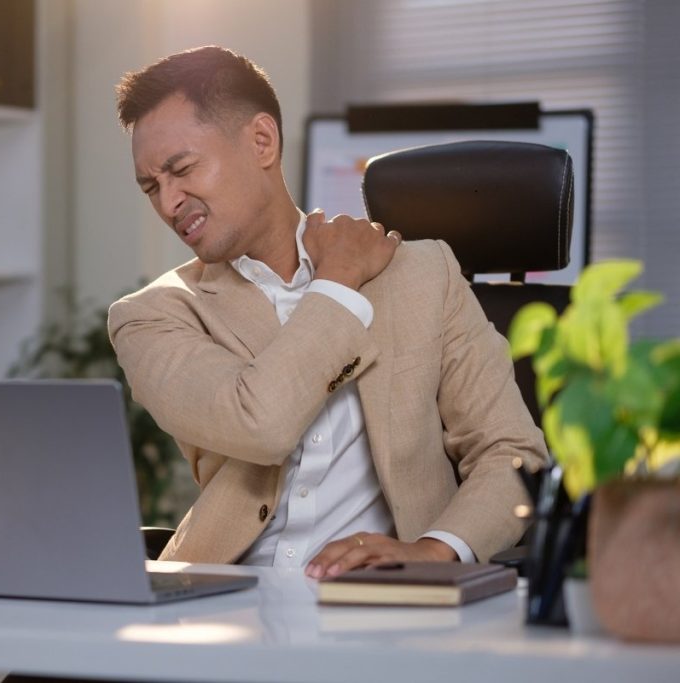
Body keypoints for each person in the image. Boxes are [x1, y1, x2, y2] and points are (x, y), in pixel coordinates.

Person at [108, 45, 548, 577]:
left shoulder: (423, 275)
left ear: (262, 141)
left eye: (182, 170)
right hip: (228, 602)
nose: (168, 202)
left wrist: (432, 552)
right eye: (151, 186)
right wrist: (338, 282)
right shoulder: (152, 315)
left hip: (392, 602)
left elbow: (512, 453)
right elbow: (261, 425)